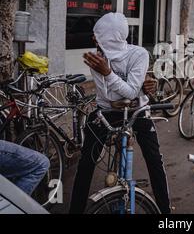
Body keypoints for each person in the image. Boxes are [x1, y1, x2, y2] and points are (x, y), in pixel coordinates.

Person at [69, 12, 171, 214]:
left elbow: (131, 94)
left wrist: (114, 76)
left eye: (97, 35)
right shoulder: (97, 58)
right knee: (86, 162)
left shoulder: (139, 54)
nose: (93, 39)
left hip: (137, 111)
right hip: (107, 111)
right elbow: (110, 97)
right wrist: (136, 87)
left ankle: (166, 212)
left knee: (154, 160)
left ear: (110, 37)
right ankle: (75, 210)